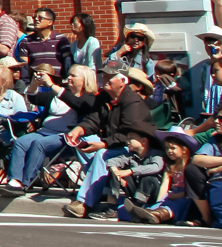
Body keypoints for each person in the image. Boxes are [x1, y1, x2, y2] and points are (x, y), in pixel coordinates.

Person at [64, 65, 160, 214]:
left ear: (122, 81)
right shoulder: (103, 97)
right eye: (105, 76)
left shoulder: (133, 102)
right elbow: (93, 120)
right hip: (112, 143)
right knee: (83, 141)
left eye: (110, 77)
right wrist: (79, 129)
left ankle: (84, 202)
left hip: (133, 147)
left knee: (102, 155)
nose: (105, 80)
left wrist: (103, 144)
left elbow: (128, 135)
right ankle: (97, 187)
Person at [0, 65, 96, 194]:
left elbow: (74, 102)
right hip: (44, 132)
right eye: (69, 74)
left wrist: (51, 84)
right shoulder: (57, 93)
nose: (69, 77)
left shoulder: (88, 98)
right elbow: (34, 98)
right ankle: (15, 181)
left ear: (85, 80)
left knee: (39, 144)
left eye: (73, 76)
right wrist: (34, 84)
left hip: (66, 138)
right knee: (21, 142)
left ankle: (26, 182)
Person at [77, 127, 167, 220]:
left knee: (148, 178)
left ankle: (138, 207)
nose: (127, 141)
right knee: (114, 174)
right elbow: (111, 161)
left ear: (144, 141)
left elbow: (156, 167)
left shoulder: (156, 154)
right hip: (136, 191)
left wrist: (130, 171)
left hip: (152, 192)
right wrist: (116, 172)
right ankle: (111, 209)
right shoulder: (131, 156)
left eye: (131, 138)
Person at [16, 10, 71, 78]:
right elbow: (24, 66)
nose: (36, 19)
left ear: (50, 22)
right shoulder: (26, 41)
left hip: (56, 83)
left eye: (40, 18)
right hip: (35, 83)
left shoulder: (61, 39)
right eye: (35, 17)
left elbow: (67, 63)